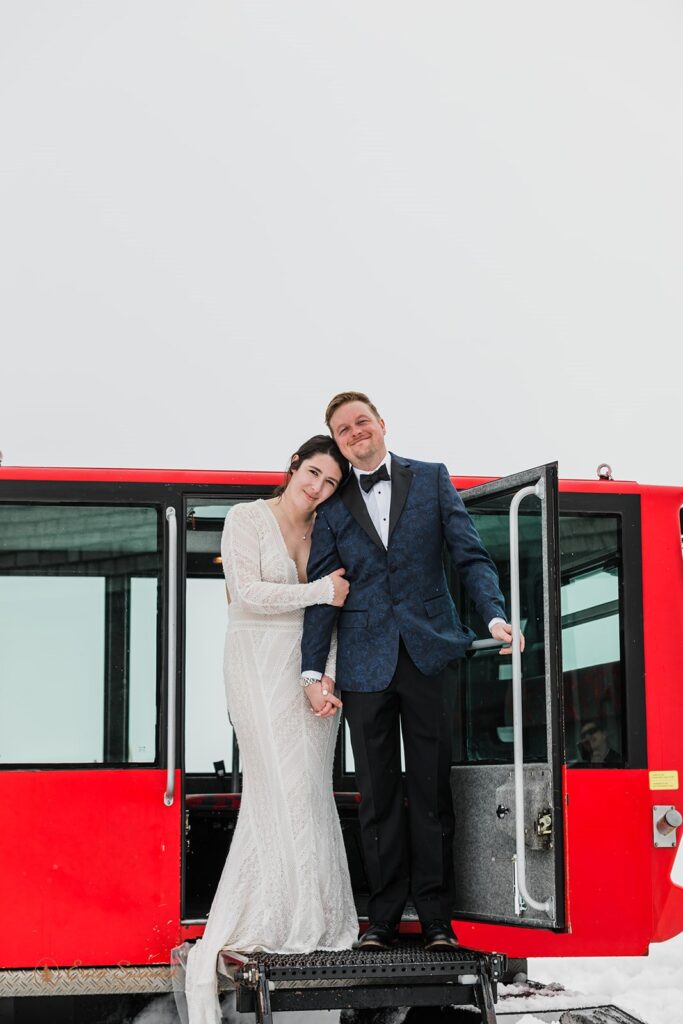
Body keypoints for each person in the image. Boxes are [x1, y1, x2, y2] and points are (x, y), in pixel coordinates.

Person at [301, 392, 522, 952]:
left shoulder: (432, 478)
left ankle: (436, 920)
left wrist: (494, 615)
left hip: (427, 656)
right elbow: (325, 596)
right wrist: (311, 671)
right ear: (338, 440)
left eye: (361, 422)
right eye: (343, 430)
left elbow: (469, 555)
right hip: (364, 665)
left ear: (381, 424)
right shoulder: (330, 508)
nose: (355, 433)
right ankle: (380, 921)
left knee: (430, 791)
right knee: (376, 796)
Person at [183, 435, 359, 1024]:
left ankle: (309, 915)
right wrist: (318, 590)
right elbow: (249, 590)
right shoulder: (245, 518)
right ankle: (269, 914)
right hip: (256, 663)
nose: (318, 488)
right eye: (313, 473)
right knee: (277, 785)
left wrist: (326, 677)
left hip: (309, 671)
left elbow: (332, 615)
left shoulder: (326, 531)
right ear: (293, 467)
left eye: (330, 482)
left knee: (309, 787)